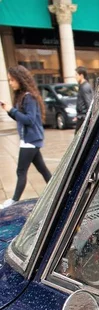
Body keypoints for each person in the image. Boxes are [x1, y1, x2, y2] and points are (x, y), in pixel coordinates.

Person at [0, 65, 52, 209]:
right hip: (30, 140)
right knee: (43, 169)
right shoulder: (24, 97)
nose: (10, 83)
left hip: (30, 140)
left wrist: (12, 110)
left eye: (12, 80)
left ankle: (14, 201)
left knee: (21, 171)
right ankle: (59, 192)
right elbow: (22, 118)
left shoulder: (29, 97)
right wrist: (9, 110)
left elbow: (29, 120)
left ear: (19, 79)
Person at [75, 66, 93, 133]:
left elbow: (88, 102)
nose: (75, 77)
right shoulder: (82, 86)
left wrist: (89, 117)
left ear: (81, 75)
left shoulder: (85, 87)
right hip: (81, 116)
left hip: (84, 117)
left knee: (79, 138)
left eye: (76, 75)